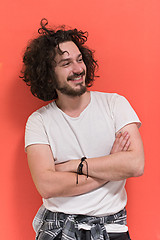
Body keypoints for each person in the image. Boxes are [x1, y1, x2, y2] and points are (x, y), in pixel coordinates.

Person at [21, 18, 144, 240]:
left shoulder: (115, 104)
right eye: (66, 63)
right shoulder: (38, 121)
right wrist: (110, 167)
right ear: (48, 74)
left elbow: (135, 164)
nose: (78, 69)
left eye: (79, 60)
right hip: (58, 229)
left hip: (112, 229)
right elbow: (47, 185)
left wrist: (72, 166)